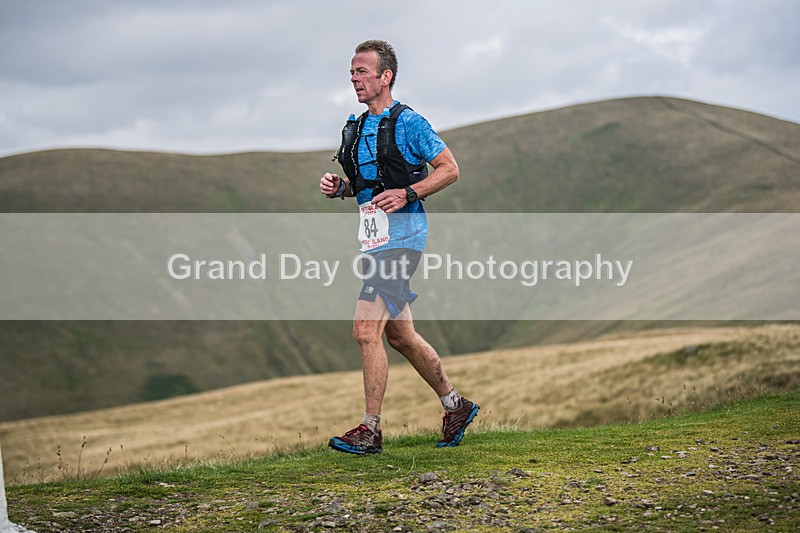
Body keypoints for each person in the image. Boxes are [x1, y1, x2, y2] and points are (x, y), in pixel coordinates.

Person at [319, 39, 479, 455]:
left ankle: (370, 429)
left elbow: (450, 170)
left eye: (361, 71)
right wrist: (342, 188)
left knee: (363, 329)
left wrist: (408, 192)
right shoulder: (356, 128)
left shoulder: (410, 123)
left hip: (403, 239)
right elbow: (367, 185)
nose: (353, 78)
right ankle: (455, 405)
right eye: (351, 72)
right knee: (401, 336)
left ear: (385, 76)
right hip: (373, 241)